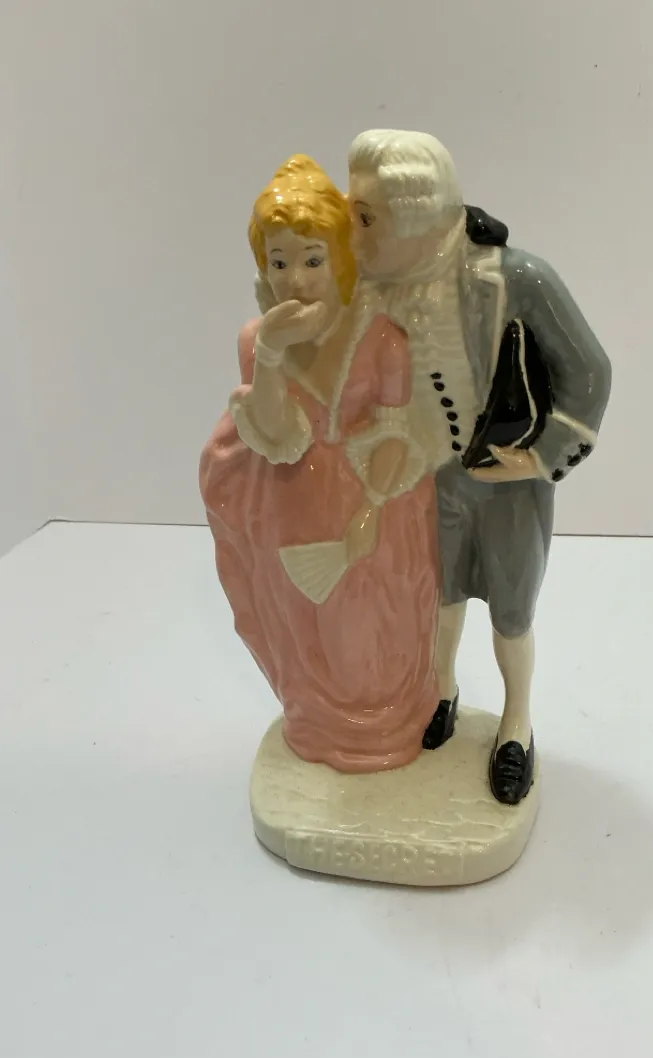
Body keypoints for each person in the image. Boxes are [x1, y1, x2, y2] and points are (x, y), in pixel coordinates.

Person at [345, 130, 612, 803]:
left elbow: (589, 370)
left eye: (366, 217)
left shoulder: (514, 279)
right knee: (438, 595)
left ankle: (516, 723)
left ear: (413, 218)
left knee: (511, 610)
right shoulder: (372, 285)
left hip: (505, 484)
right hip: (425, 481)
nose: (353, 232)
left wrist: (541, 456)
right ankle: (441, 693)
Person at [200, 155, 440, 773]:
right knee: (301, 624)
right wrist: (272, 355)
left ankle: (382, 732)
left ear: (339, 261)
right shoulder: (258, 340)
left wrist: (369, 513)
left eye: (311, 260)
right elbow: (275, 436)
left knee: (366, 635)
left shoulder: (381, 338)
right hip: (292, 501)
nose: (296, 279)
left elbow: (396, 438)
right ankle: (316, 725)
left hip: (370, 503)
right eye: (278, 262)